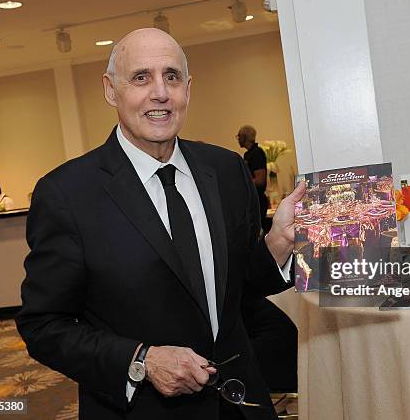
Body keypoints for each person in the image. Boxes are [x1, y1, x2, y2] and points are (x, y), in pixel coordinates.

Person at [16, 28, 305, 420]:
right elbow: (43, 324)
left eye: (171, 76)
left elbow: (238, 293)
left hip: (241, 404)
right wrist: (142, 360)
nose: (160, 93)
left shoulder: (225, 170)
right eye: (140, 77)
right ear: (110, 90)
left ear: (188, 87)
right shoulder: (67, 194)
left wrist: (276, 246)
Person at [236, 125, 269, 227]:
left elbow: (260, 180)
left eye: (239, 136)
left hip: (258, 201)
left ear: (245, 137)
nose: (238, 139)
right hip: (252, 200)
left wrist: (241, 184)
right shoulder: (248, 154)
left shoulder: (257, 153)